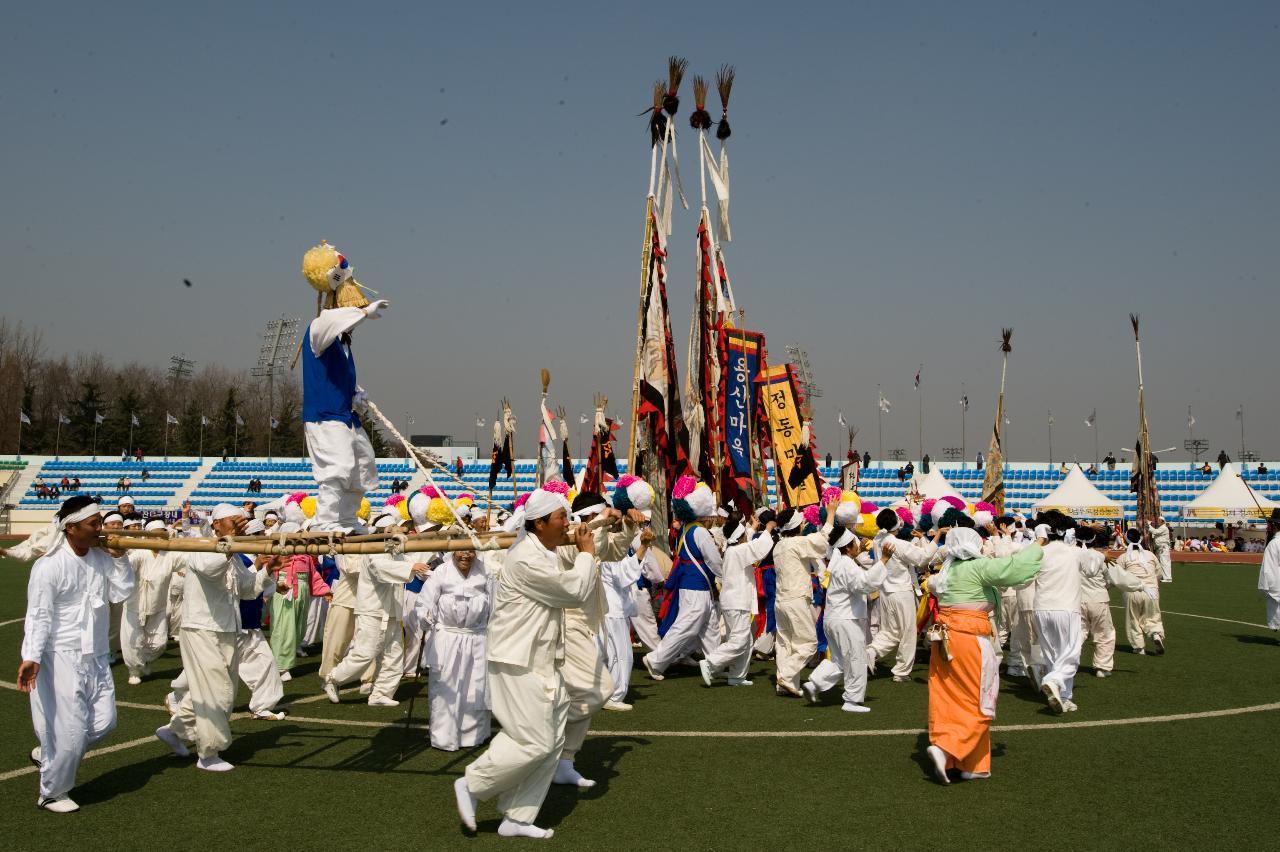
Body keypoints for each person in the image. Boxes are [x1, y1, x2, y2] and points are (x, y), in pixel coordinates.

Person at [454, 487, 599, 840]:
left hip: (545, 659)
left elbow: (597, 555)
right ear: (538, 523)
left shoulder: (547, 550)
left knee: (552, 740)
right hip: (517, 659)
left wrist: (608, 531)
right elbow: (574, 591)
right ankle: (472, 783)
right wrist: (587, 555)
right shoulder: (525, 559)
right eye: (561, 517)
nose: (567, 523)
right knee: (533, 740)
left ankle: (517, 817)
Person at [18, 497, 136, 813]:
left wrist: (120, 557)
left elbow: (121, 592)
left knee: (106, 722)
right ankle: (51, 793)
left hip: (96, 654)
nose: (101, 529)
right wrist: (32, 656)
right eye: (94, 524)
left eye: (101, 522)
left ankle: (48, 755)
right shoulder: (49, 566)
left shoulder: (100, 559)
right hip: (60, 655)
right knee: (69, 734)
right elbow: (39, 614)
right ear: (71, 528)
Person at [154, 504, 271, 772]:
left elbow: (246, 590)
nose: (240, 526)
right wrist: (231, 542)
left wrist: (266, 570)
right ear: (217, 525)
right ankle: (208, 753)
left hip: (228, 629)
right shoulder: (200, 547)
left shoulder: (235, 553)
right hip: (201, 629)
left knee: (216, 692)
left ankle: (176, 731)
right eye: (234, 522)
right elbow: (211, 569)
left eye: (241, 522)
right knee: (218, 692)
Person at [923, 527, 1043, 784]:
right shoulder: (977, 568)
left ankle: (972, 764)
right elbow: (1014, 568)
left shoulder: (946, 571)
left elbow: (930, 584)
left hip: (944, 638)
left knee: (948, 696)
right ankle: (947, 748)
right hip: (970, 638)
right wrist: (1039, 544)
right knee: (979, 697)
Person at [299, 240, 388, 531]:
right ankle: (325, 522)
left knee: (362, 465)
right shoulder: (319, 329)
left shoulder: (342, 346)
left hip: (344, 416)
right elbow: (332, 321)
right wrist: (363, 313)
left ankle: (348, 518)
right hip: (324, 417)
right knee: (337, 468)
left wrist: (355, 395)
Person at [324, 509, 423, 705]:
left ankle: (381, 694)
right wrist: (409, 568)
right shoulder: (372, 552)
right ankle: (332, 678)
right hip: (372, 610)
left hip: (392, 611)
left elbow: (415, 561)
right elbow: (380, 570)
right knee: (364, 653)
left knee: (394, 655)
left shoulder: (395, 552)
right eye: (394, 529)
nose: (399, 532)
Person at [643, 478, 724, 681]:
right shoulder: (700, 532)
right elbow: (713, 560)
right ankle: (656, 660)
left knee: (710, 628)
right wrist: (726, 576)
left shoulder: (688, 529)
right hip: (696, 588)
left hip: (696, 586)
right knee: (686, 627)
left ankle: (715, 664)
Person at [418, 546, 494, 750]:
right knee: (445, 687)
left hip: (477, 638)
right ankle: (443, 736)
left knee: (475, 687)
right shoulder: (441, 573)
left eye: (470, 551)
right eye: (460, 550)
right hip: (447, 640)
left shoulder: (487, 572)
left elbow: (497, 607)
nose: (465, 555)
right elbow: (424, 602)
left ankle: (473, 736)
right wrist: (424, 616)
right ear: (452, 551)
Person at [803, 527, 886, 711]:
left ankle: (815, 683)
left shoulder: (840, 561)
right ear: (848, 548)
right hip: (846, 619)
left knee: (839, 661)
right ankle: (852, 700)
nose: (858, 545)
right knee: (856, 658)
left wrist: (861, 552)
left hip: (833, 618)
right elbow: (862, 584)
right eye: (855, 543)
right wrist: (884, 561)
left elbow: (853, 576)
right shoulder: (846, 564)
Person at [1032, 512, 1101, 713]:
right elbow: (1091, 569)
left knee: (1053, 655)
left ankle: (1064, 696)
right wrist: (1099, 555)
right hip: (1066, 607)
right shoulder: (1075, 552)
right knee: (1070, 654)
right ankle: (1055, 680)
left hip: (1042, 607)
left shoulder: (1039, 552)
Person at [769, 497, 837, 696]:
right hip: (796, 599)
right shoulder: (796, 543)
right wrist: (831, 514)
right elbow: (823, 539)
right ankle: (787, 675)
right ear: (797, 526)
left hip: (782, 600)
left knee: (785, 644)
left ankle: (784, 683)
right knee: (808, 643)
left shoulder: (779, 545)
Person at [700, 511, 776, 687]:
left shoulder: (732, 550)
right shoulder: (739, 551)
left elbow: (750, 543)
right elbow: (759, 547)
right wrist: (769, 528)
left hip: (734, 601)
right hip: (737, 602)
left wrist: (754, 528)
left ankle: (737, 675)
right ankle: (711, 662)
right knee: (740, 640)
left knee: (746, 639)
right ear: (740, 537)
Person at [868, 509, 938, 683]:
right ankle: (901, 671)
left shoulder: (878, 540)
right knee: (907, 632)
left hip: (886, 592)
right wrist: (935, 537)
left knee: (890, 631)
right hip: (901, 592)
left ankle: (870, 652)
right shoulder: (898, 543)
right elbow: (923, 559)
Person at [1076, 525, 1142, 678]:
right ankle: (1102, 667)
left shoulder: (1070, 555)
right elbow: (1119, 576)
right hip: (1098, 600)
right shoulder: (1100, 557)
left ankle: (1068, 662)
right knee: (1104, 633)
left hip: (1076, 599)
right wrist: (1141, 585)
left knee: (1077, 634)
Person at [120, 519, 177, 684]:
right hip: (135, 604)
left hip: (158, 604)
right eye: (156, 534)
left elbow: (186, 559)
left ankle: (142, 661)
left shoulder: (169, 555)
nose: (159, 538)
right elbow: (127, 566)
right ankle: (134, 670)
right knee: (132, 640)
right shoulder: (139, 553)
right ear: (148, 536)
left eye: (162, 534)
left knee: (159, 643)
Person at [268, 547, 330, 680]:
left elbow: (314, 577)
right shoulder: (279, 554)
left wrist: (325, 591)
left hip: (302, 594)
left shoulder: (306, 557)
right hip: (284, 593)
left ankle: (286, 662)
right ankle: (280, 666)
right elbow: (269, 572)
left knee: (299, 629)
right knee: (284, 628)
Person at [1119, 528, 1165, 655]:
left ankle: (1139, 647)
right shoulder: (1150, 555)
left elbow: (1117, 575)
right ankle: (1156, 634)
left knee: (1133, 619)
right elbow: (1159, 573)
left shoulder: (1123, 557)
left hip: (1132, 591)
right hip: (1152, 591)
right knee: (1153, 616)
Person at [1260, 516, 1280, 631]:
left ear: (1274, 526)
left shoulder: (1274, 544)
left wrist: (1267, 587)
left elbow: (1269, 568)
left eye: (1269, 524)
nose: (1267, 526)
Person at [1149, 516, 1173, 583]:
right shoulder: (1161, 528)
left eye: (1159, 520)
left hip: (1163, 547)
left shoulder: (1164, 528)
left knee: (1165, 562)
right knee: (1163, 562)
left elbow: (1155, 532)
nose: (1158, 522)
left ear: (1162, 521)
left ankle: (1167, 578)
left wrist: (1149, 526)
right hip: (1161, 547)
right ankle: (1166, 577)